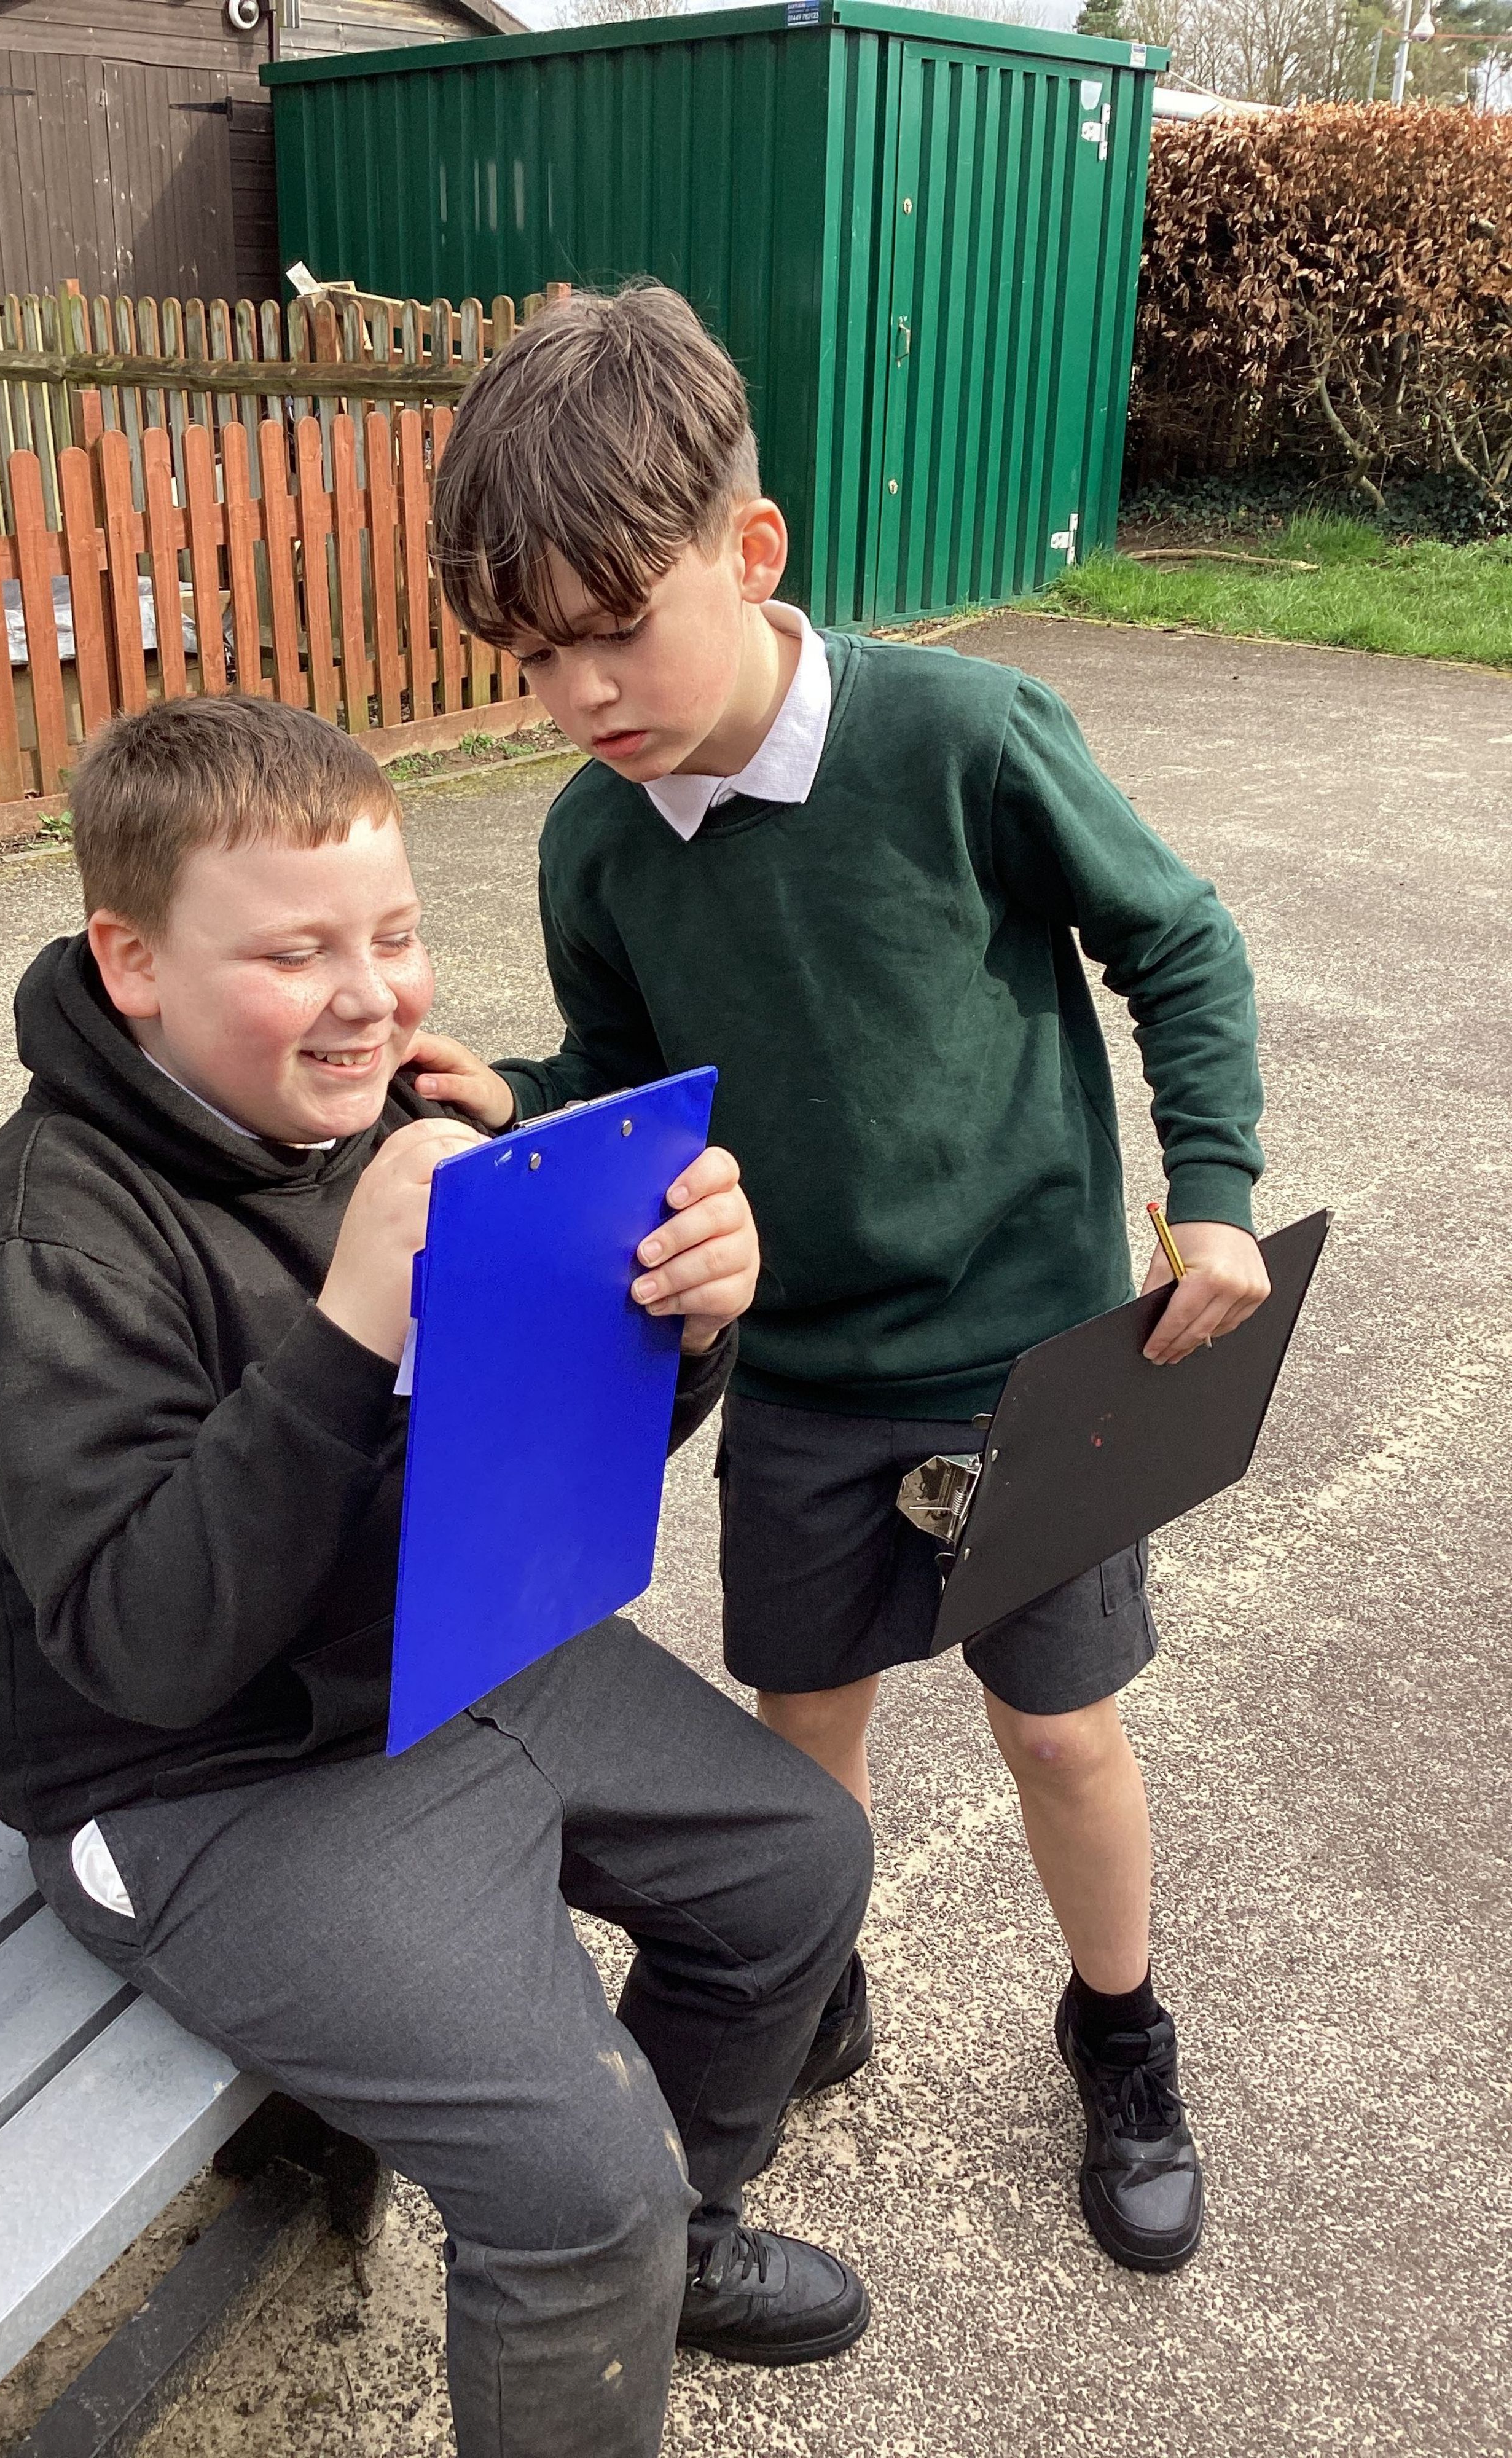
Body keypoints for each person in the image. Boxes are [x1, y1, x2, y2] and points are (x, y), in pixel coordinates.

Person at [0, 694, 875, 2458]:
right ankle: (616, 2248)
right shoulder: (44, 1248)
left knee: (798, 1863)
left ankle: (676, 2244)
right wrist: (350, 1325)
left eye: (397, 936)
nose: (372, 999)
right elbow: (147, 1648)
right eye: (296, 954)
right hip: (198, 1779)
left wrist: (688, 1326)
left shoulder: (382, 1114)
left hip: (439, 1633)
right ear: (133, 962)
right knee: (578, 2190)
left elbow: (540, 1441)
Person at [410, 284, 1271, 2276]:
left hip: (1030, 1356)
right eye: (531, 656)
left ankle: (1122, 2029)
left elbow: (1181, 943)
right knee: (802, 1729)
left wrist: (1215, 1194)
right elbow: (633, 1081)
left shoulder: (964, 739)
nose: (578, 693)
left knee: (1061, 1731)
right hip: (799, 1376)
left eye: (615, 625)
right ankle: (818, 1973)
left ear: (751, 547)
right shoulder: (594, 842)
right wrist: (516, 1100)